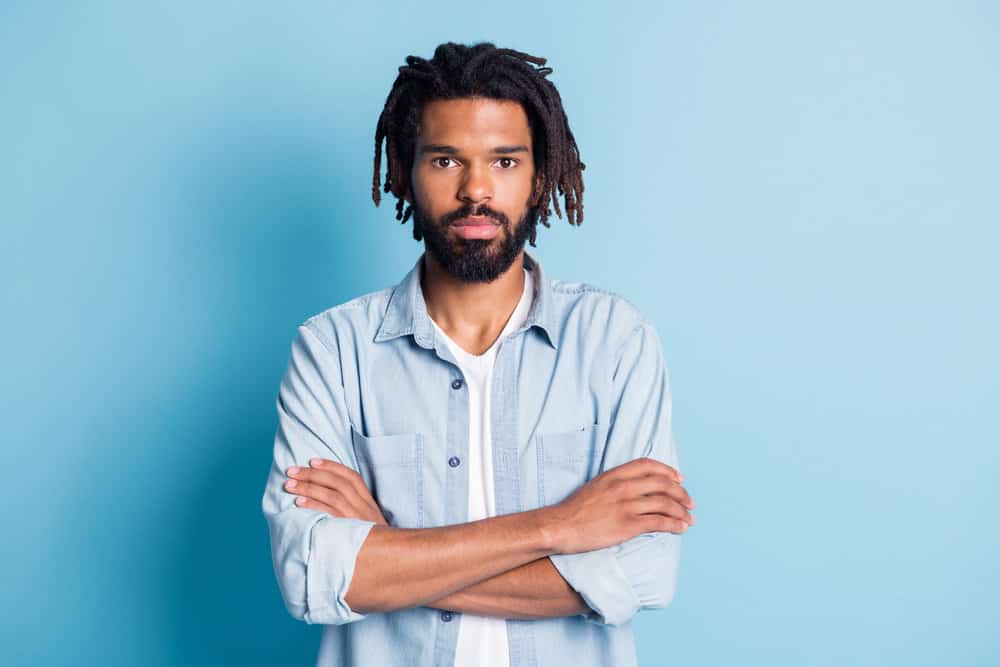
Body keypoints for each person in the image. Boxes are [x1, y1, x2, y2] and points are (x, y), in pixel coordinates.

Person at [261, 41, 696, 667]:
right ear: (405, 172)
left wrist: (387, 551)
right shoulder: (333, 350)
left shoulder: (614, 341)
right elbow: (313, 578)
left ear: (540, 175)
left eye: (504, 161)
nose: (476, 190)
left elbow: (643, 573)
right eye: (445, 160)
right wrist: (558, 529)